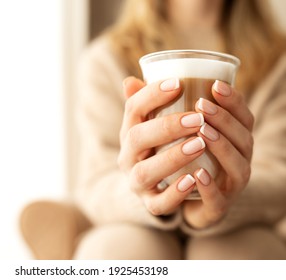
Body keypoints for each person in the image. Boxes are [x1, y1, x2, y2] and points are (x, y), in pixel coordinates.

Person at [20, 0, 286, 259]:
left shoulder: (279, 61)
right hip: (136, 225)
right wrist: (151, 195)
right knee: (120, 250)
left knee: (233, 253)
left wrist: (222, 199)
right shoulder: (106, 59)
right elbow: (96, 183)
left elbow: (279, 176)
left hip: (240, 224)